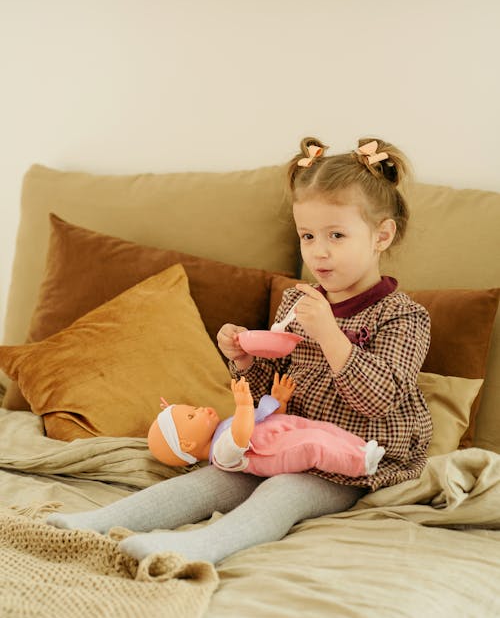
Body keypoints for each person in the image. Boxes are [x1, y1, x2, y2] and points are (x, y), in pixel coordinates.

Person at [47, 135, 432, 566]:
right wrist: (246, 361)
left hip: (356, 456)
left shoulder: (402, 317)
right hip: (285, 440)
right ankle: (98, 521)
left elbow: (378, 400)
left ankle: (199, 548)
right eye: (307, 235)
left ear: (381, 235)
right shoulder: (296, 303)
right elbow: (264, 396)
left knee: (282, 492)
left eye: (336, 235)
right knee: (214, 479)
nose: (318, 252)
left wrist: (330, 334)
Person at [148, 374, 385, 477]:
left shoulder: (223, 428)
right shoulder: (221, 454)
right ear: (187, 444)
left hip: (283, 429)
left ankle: (362, 449)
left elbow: (264, 422)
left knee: (321, 429)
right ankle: (360, 463)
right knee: (313, 444)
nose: (200, 409)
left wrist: (279, 402)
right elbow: (242, 437)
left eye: (194, 408)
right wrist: (243, 405)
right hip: (277, 451)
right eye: (192, 416)